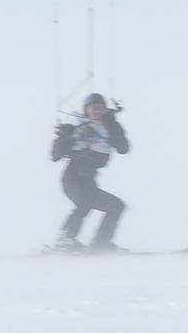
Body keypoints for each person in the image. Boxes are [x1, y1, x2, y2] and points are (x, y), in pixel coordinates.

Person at [50, 93, 130, 251]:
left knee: (116, 206)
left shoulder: (107, 127)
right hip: (72, 178)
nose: (96, 111)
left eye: (100, 108)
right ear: (86, 109)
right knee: (84, 203)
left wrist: (112, 123)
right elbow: (55, 155)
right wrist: (72, 136)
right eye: (93, 108)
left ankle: (100, 243)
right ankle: (65, 240)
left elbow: (123, 148)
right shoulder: (74, 126)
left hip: (88, 181)